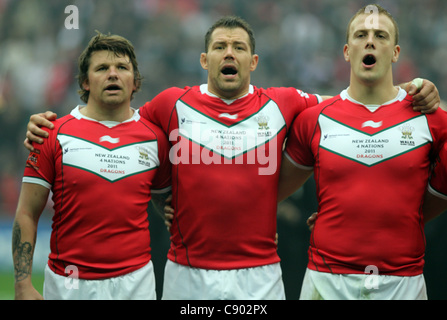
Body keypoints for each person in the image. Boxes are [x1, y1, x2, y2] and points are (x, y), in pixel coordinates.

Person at [24, 16, 440, 300]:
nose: (229, 53)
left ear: (253, 61)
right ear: (204, 60)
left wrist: (409, 87)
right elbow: (114, 126)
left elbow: (354, 101)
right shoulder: (170, 105)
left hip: (260, 275)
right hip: (186, 273)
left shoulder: (284, 103)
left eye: (239, 47)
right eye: (220, 46)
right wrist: (49, 124)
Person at [277, 4, 447, 300]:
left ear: (395, 52)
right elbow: (270, 191)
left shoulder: (432, 119)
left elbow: (434, 200)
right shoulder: (313, 120)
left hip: (403, 282)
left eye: (380, 35)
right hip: (326, 281)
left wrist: (387, 218)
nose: (370, 41)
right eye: (361, 35)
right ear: (346, 50)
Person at [12, 32, 171, 300]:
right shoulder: (50, 133)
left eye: (122, 68)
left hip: (136, 284)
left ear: (135, 82)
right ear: (85, 82)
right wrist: (22, 285)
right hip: (68, 284)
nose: (113, 74)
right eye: (102, 68)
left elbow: (167, 203)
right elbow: (27, 213)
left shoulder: (156, 138)